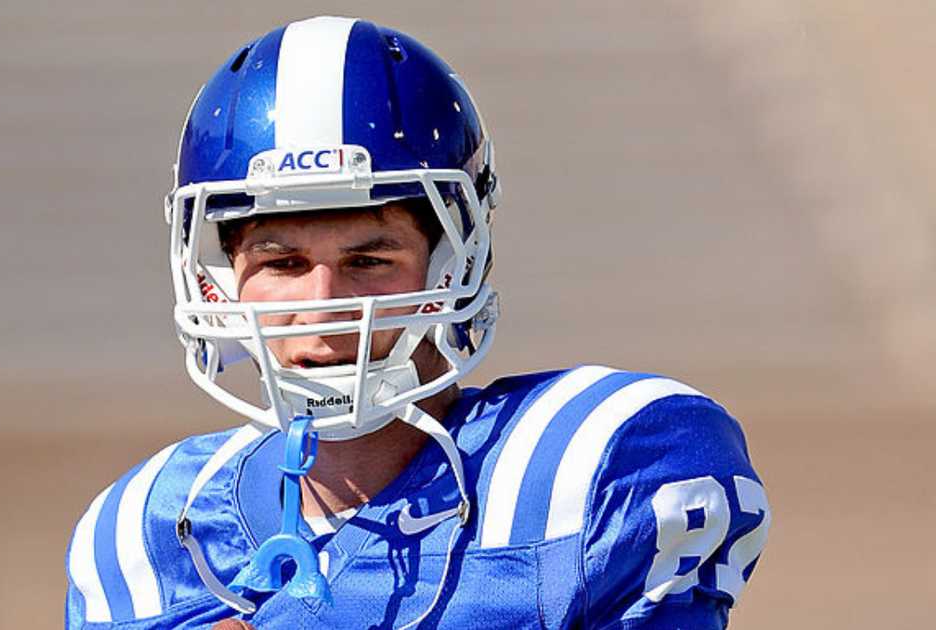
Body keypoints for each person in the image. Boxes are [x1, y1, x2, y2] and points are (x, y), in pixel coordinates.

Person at [65, 16, 770, 630]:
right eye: (281, 263)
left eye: (369, 259)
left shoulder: (591, 467)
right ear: (218, 279)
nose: (322, 303)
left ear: (450, 264)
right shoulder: (142, 537)